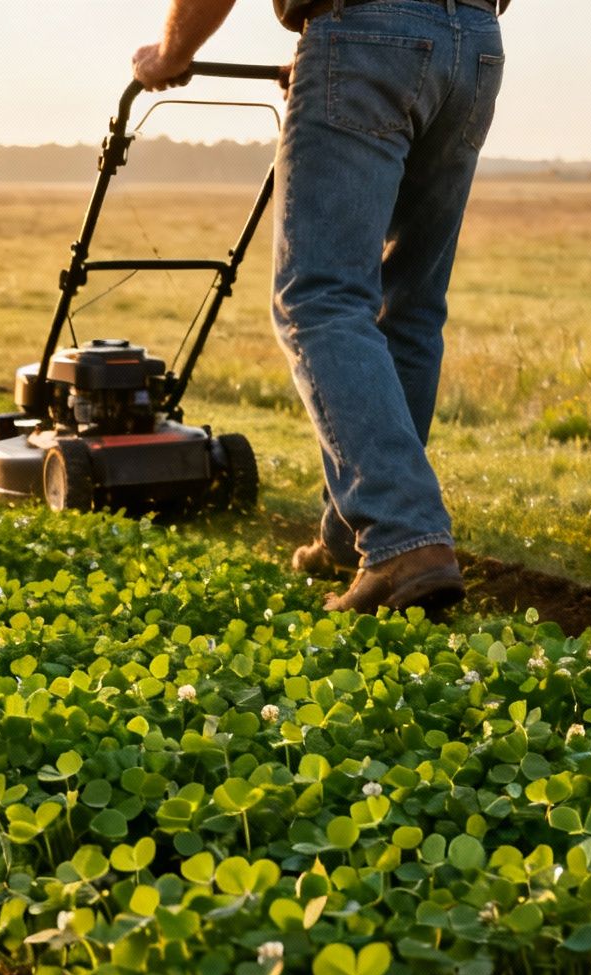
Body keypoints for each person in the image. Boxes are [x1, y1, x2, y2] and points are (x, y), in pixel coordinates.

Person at [135, 0, 506, 615]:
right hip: (473, 41)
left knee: (320, 300)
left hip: (363, 29)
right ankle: (349, 534)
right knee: (410, 307)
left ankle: (403, 538)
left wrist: (173, 54)